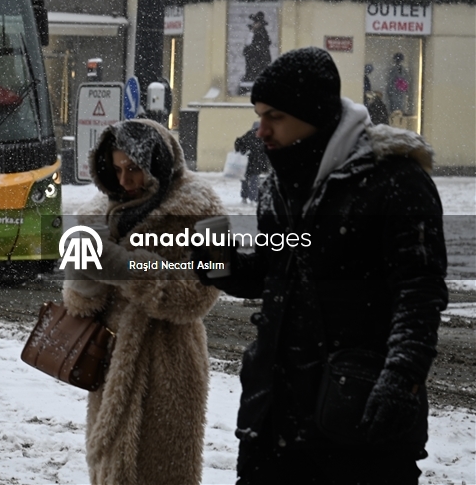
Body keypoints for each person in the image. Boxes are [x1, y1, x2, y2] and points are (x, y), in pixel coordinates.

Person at [197, 47, 447, 485]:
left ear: (312, 113)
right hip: (274, 416)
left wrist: (401, 377)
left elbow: (419, 292)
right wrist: (218, 261)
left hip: (358, 416)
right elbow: (276, 268)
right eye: (259, 115)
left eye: (274, 116)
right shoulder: (281, 180)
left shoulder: (395, 180)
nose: (261, 130)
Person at [63, 119, 225, 485]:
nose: (124, 181)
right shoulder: (98, 211)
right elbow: (79, 305)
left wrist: (126, 267)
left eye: (134, 169)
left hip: (169, 363)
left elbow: (201, 293)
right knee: (110, 469)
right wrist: (83, 276)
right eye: (116, 169)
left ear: (158, 163)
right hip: (107, 360)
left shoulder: (203, 207)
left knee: (162, 469)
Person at [234, 121, 267, 203]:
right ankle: (252, 198)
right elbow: (264, 152)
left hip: (247, 163)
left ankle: (245, 197)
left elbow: (239, 143)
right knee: (253, 181)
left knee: (246, 181)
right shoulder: (261, 137)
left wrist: (242, 151)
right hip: (255, 163)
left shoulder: (248, 135)